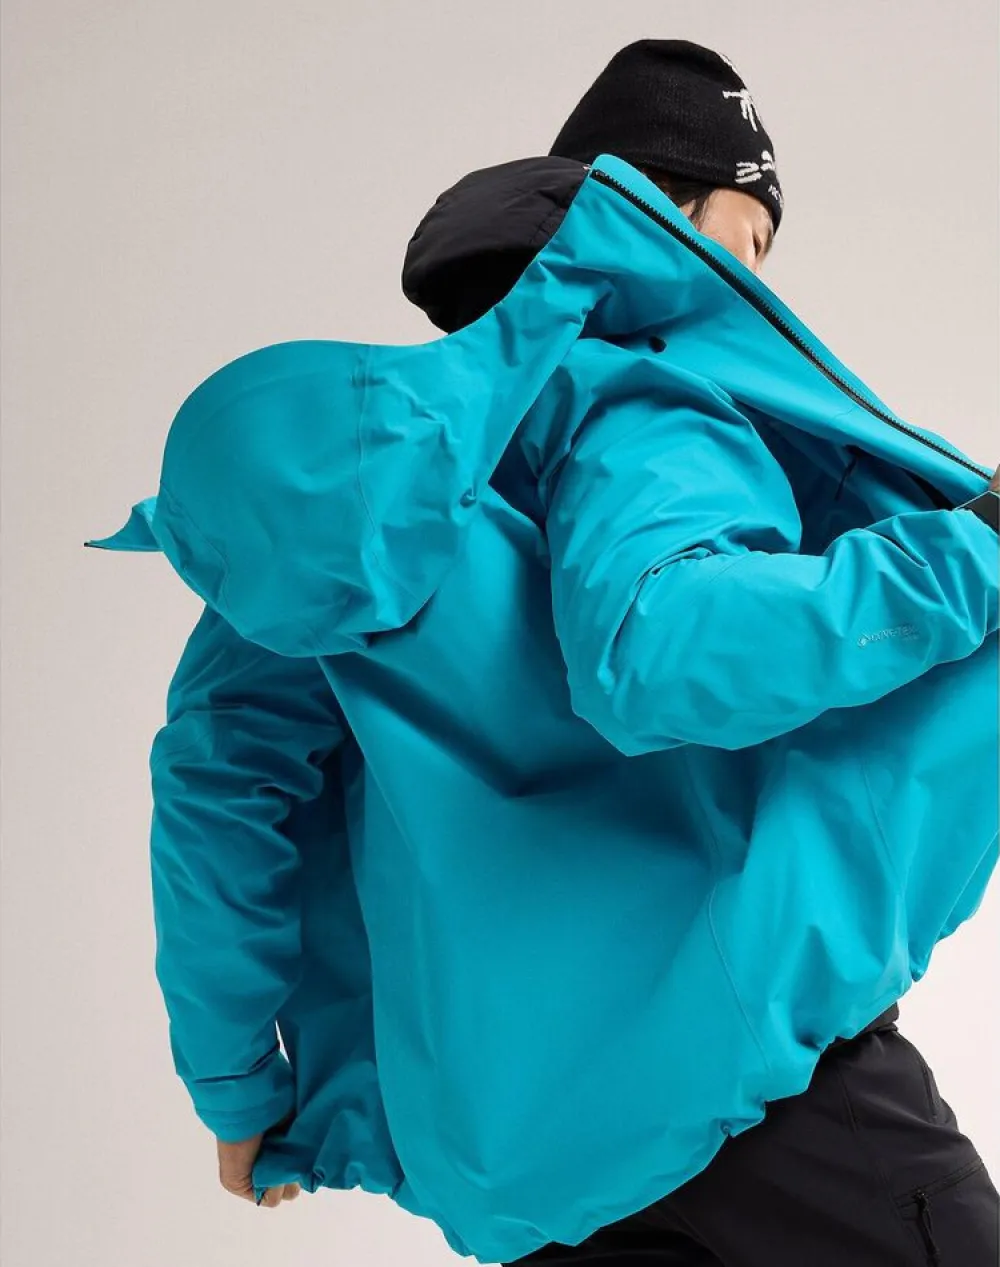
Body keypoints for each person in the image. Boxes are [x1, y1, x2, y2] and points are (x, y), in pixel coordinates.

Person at [90, 39, 1000, 1267]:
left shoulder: (352, 490)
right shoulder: (641, 398)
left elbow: (214, 782)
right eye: (744, 243)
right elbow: (661, 649)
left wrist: (236, 1081)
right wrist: (977, 548)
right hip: (751, 1096)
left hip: (524, 1166)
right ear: (664, 220)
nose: (755, 291)